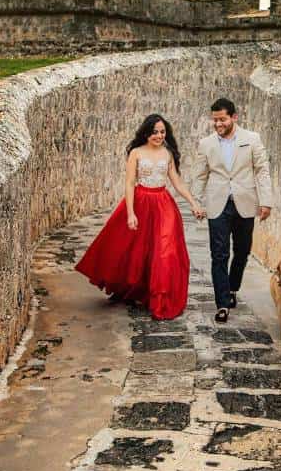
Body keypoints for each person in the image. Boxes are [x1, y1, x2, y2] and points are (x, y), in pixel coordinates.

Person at [75, 114, 207, 320]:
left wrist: (193, 203)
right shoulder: (136, 153)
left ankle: (160, 299)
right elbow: (129, 183)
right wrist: (130, 213)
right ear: (146, 132)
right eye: (155, 132)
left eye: (162, 132)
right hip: (140, 202)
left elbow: (177, 182)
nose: (159, 135)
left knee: (164, 251)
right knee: (135, 250)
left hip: (163, 205)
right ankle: (133, 289)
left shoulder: (168, 153)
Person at [191, 98, 274, 323]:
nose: (218, 124)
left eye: (222, 119)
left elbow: (262, 171)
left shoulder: (252, 139)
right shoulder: (206, 144)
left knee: (242, 250)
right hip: (217, 204)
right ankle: (222, 303)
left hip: (245, 203)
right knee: (219, 253)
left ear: (234, 117)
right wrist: (196, 202)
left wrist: (266, 201)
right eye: (215, 120)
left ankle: (233, 287)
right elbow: (200, 175)